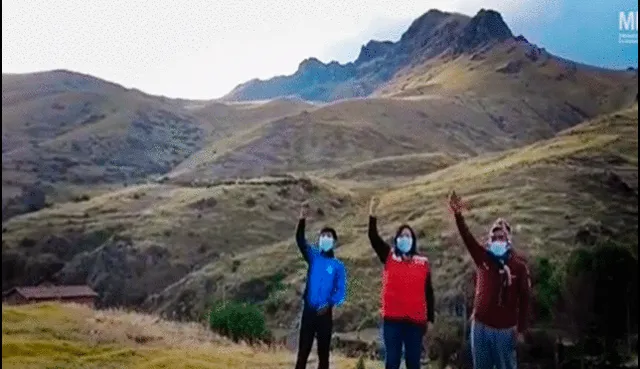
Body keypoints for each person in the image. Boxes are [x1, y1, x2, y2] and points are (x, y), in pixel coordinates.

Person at [448, 190, 531, 369]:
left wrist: (521, 329)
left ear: (509, 240)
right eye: (494, 236)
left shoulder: (519, 266)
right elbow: (466, 236)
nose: (497, 239)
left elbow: (525, 298)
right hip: (480, 327)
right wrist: (458, 214)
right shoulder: (483, 258)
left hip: (504, 330)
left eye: (501, 236)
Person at [367, 196, 435, 369]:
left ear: (413, 240)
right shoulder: (389, 256)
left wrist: (431, 320)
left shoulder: (423, 262)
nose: (405, 238)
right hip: (392, 320)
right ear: (397, 240)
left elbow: (429, 292)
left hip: (415, 322)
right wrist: (372, 214)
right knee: (392, 361)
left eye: (408, 236)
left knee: (413, 362)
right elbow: (373, 238)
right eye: (402, 236)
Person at [294, 201, 347, 369]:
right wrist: (302, 219)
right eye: (323, 236)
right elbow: (300, 241)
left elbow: (340, 291)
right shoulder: (313, 257)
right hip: (309, 310)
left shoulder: (338, 265)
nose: (325, 238)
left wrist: (330, 303)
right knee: (303, 351)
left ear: (334, 241)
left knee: (323, 354)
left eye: (329, 236)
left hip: (325, 313)